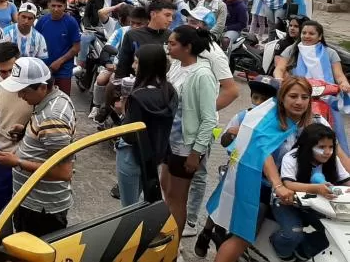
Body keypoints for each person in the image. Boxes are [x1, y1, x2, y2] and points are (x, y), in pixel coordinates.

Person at [209, 77, 316, 262]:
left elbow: (336, 150)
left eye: (304, 97)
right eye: (293, 96)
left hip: (294, 189)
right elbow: (263, 152)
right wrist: (278, 185)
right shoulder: (268, 121)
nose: (299, 102)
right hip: (257, 184)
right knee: (242, 238)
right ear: (282, 98)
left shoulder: (315, 122)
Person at [0, 57, 75, 237]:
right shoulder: (53, 100)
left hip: (41, 209)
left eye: (24, 91)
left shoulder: (53, 117)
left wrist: (17, 162)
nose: (20, 96)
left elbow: (63, 172)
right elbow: (47, 140)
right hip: (32, 201)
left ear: (42, 87)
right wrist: (26, 132)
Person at [163, 25, 218, 238]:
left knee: (177, 197)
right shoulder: (177, 66)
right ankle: (166, 234)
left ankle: (173, 245)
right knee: (166, 189)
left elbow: (209, 118)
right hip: (170, 140)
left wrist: (196, 152)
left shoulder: (202, 75)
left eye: (172, 43)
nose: (168, 47)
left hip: (186, 146)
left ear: (187, 47)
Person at [273, 123, 349, 261]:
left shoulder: (333, 159)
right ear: (308, 146)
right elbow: (288, 184)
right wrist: (316, 188)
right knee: (292, 234)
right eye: (322, 147)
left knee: (334, 234)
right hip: (287, 202)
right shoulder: (292, 158)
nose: (328, 152)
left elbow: (346, 180)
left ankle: (304, 251)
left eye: (331, 147)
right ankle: (281, 249)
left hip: (316, 205)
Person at [116, 44, 177, 207]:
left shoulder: (137, 96)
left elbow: (129, 135)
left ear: (147, 65)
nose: (133, 66)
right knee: (142, 204)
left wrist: (123, 110)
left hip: (130, 155)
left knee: (128, 208)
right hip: (154, 156)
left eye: (137, 62)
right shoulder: (170, 92)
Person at [276, 20, 350, 151]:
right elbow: (280, 68)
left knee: (336, 129)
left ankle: (339, 159)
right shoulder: (292, 50)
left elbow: (339, 75)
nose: (306, 36)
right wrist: (278, 78)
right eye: (304, 33)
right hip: (298, 93)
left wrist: (344, 83)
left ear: (320, 36)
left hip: (326, 96)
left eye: (311, 33)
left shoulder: (330, 53)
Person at [35, 0, 81, 95]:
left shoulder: (71, 22)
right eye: (53, 5)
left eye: (59, 6)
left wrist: (60, 62)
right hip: (44, 69)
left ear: (65, 6)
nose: (56, 9)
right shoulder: (42, 21)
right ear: (48, 5)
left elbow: (76, 48)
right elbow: (35, 43)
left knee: (62, 98)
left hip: (63, 70)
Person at [115, 0, 175, 79]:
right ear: (153, 14)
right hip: (136, 82)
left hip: (164, 82)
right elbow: (123, 66)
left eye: (172, 16)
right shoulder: (132, 35)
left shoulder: (171, 36)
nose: (170, 19)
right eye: (167, 15)